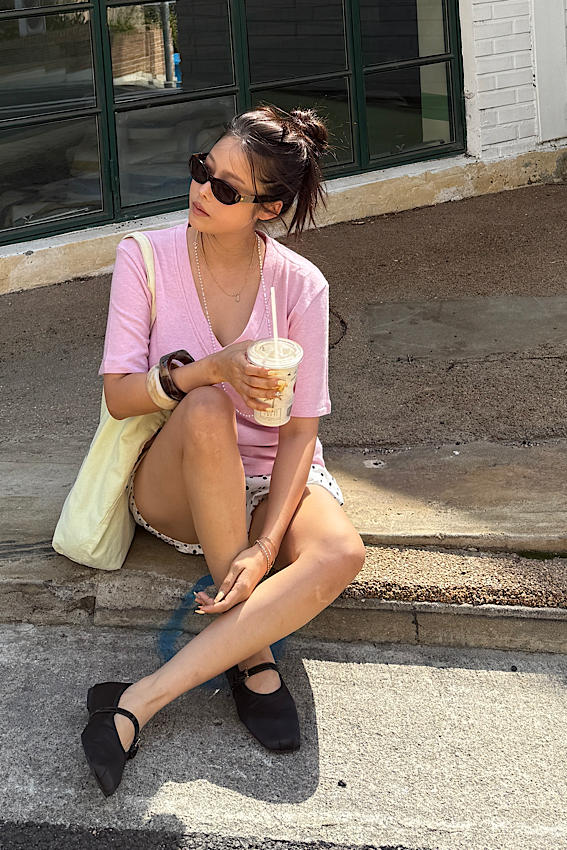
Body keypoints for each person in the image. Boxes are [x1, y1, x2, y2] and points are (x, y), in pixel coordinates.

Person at [81, 105, 365, 796]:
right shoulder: (145, 257)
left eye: (226, 189)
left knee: (341, 553)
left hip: (271, 473)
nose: (201, 191)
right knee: (208, 405)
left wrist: (264, 547)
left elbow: (301, 431)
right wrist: (210, 370)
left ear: (267, 207)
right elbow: (120, 397)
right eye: (201, 170)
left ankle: (137, 701)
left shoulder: (300, 284)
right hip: (178, 474)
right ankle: (253, 657)